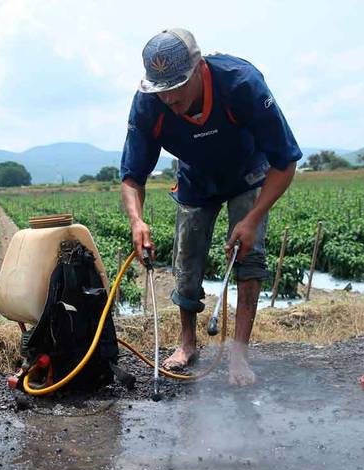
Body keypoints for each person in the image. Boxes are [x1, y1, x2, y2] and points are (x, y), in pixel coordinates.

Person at [120, 28, 301, 385]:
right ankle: (187, 344)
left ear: (200, 67)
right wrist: (136, 221)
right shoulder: (149, 104)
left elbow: (285, 162)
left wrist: (253, 219)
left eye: (177, 86)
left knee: (249, 256)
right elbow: (132, 177)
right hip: (196, 179)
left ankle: (239, 354)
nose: (169, 98)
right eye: (161, 90)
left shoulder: (241, 84)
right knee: (186, 261)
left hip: (248, 173)